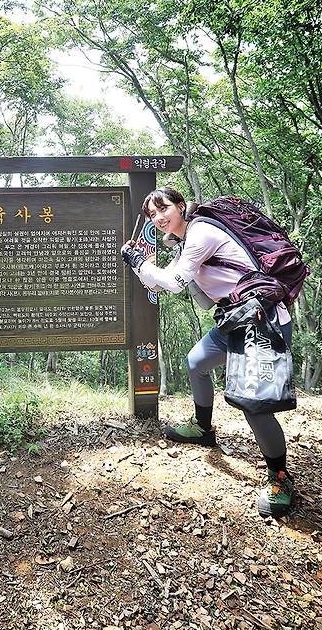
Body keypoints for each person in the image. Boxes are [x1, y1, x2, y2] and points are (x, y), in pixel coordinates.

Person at [122, 185, 296, 518]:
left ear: (180, 206)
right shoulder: (185, 241)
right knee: (196, 362)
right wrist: (138, 263)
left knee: (255, 405)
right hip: (234, 319)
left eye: (163, 208)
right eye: (152, 214)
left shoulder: (201, 233)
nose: (159, 217)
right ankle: (203, 429)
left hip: (261, 319)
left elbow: (174, 282)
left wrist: (139, 262)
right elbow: (157, 282)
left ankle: (280, 478)